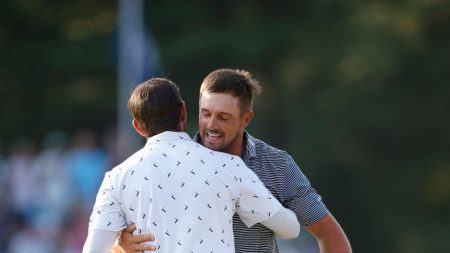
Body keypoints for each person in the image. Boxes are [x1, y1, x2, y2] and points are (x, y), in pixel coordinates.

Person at [115, 69, 352, 253]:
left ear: (246, 119)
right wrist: (120, 248)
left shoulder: (276, 165)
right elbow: (114, 241)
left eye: (223, 117)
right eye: (206, 113)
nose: (211, 125)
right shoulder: (165, 166)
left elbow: (327, 232)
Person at [82, 78, 300, 253]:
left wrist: (119, 249)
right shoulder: (229, 166)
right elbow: (291, 229)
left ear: (137, 127)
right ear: (183, 111)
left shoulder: (117, 177)